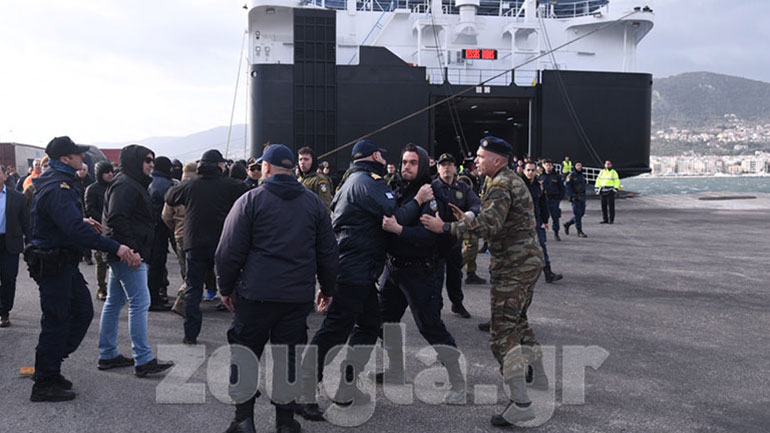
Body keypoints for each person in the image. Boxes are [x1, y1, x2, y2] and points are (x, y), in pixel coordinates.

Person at [295, 139, 429, 420]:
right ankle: (303, 391)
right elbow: (393, 216)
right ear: (376, 156)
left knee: (369, 324)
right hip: (355, 269)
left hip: (359, 268)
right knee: (333, 331)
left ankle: (346, 386)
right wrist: (418, 200)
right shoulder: (368, 182)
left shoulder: (351, 180)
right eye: (383, 156)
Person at [421, 136, 547, 427]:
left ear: (497, 160)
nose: (475, 160)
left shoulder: (502, 185)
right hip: (526, 262)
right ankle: (538, 377)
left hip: (514, 267)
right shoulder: (505, 180)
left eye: (480, 156)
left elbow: (489, 225)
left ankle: (521, 404)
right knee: (519, 323)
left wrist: (446, 227)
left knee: (502, 334)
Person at [216, 144, 338, 433]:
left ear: (266, 168)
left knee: (245, 356)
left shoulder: (250, 201)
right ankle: (285, 422)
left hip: (255, 295)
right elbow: (328, 252)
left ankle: (244, 419)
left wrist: (226, 287)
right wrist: (328, 288)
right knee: (288, 359)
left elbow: (228, 251)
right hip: (296, 298)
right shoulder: (314, 205)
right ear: (293, 168)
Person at [26, 136, 140, 402]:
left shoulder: (60, 181)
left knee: (81, 312)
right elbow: (73, 230)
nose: (82, 158)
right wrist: (116, 247)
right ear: (65, 159)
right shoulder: (59, 186)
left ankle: (49, 366)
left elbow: (64, 221)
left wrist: (80, 220)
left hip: (62, 260)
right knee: (57, 321)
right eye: (77, 154)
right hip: (53, 262)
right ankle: (44, 381)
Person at [376, 143, 466, 405]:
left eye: (413, 162)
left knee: (431, 327)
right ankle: (394, 370)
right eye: (404, 162)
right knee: (383, 321)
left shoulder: (432, 194)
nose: (406, 166)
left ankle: (457, 380)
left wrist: (400, 230)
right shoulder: (402, 190)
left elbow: (429, 237)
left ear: (424, 164)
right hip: (393, 269)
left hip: (420, 271)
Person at [99, 144, 174, 377]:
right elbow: (116, 218)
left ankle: (108, 354)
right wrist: (132, 250)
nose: (152, 164)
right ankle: (143, 359)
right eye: (147, 160)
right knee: (140, 303)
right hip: (129, 255)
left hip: (123, 253)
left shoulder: (128, 183)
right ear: (135, 161)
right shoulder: (126, 184)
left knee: (114, 302)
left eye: (152, 160)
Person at [165, 149, 249, 345]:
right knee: (233, 286)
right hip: (223, 243)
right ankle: (240, 332)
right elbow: (248, 195)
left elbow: (169, 197)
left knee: (194, 290)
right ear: (220, 165)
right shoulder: (230, 185)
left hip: (194, 243)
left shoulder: (190, 185)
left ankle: (190, 335)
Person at [431, 153, 480, 318]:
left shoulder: (463, 187)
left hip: (454, 239)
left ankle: (457, 304)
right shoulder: (431, 187)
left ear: (455, 168)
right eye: (443, 164)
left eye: (450, 164)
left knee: (455, 274)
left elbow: (475, 203)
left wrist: (469, 214)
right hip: (435, 241)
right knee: (436, 276)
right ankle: (435, 309)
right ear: (438, 168)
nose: (446, 167)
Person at [162, 162, 199, 317]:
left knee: (185, 269)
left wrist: (175, 227)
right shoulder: (198, 189)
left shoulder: (175, 191)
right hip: (196, 235)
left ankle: (187, 298)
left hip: (179, 235)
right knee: (194, 272)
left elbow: (166, 216)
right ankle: (183, 301)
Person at [523, 163, 563, 283]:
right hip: (520, 222)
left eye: (533, 170)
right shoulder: (518, 185)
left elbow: (543, 204)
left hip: (535, 221)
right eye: (528, 170)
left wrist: (545, 220)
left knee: (541, 247)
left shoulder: (538, 186)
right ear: (524, 171)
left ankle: (548, 272)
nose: (530, 172)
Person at [0, 165, 28, 328]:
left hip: (9, 243)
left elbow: (25, 222)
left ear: (5, 176)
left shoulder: (18, 197)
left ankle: (4, 312)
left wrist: (31, 243)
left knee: (9, 278)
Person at [147, 156, 175, 311]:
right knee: (157, 265)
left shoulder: (149, 180)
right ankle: (154, 299)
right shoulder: (164, 184)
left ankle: (152, 296)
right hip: (160, 228)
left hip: (150, 229)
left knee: (151, 264)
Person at [84, 161, 114, 301]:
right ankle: (102, 287)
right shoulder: (92, 189)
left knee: (115, 260)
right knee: (101, 260)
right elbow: (90, 209)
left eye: (111, 172)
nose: (110, 174)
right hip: (99, 228)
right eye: (106, 172)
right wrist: (102, 221)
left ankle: (116, 288)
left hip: (114, 228)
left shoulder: (115, 187)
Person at [297, 147, 333, 211]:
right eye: (300, 159)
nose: (302, 162)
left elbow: (325, 205)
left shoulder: (320, 180)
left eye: (306, 159)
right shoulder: (298, 180)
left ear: (312, 161)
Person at [539, 160, 565, 241]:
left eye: (550, 165)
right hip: (543, 200)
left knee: (555, 217)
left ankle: (556, 233)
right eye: (547, 165)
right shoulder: (541, 176)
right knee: (540, 217)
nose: (548, 166)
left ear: (552, 166)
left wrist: (559, 198)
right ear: (544, 166)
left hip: (553, 199)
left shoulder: (556, 176)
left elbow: (562, 188)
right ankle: (539, 233)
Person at [564, 162, 588, 237]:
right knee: (577, 214)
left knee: (582, 213)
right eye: (577, 165)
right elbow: (567, 186)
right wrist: (571, 196)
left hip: (582, 196)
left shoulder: (581, 175)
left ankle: (568, 223)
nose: (579, 167)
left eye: (580, 165)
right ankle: (579, 231)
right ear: (574, 166)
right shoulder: (571, 175)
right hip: (575, 196)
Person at [595, 159, 620, 224]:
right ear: (604, 165)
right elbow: (598, 180)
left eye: (609, 164)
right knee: (603, 206)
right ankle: (605, 219)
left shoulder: (613, 172)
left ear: (611, 165)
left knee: (611, 206)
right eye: (606, 164)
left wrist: (615, 189)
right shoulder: (602, 172)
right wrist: (596, 188)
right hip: (602, 190)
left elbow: (616, 181)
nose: (607, 165)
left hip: (610, 191)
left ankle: (611, 220)